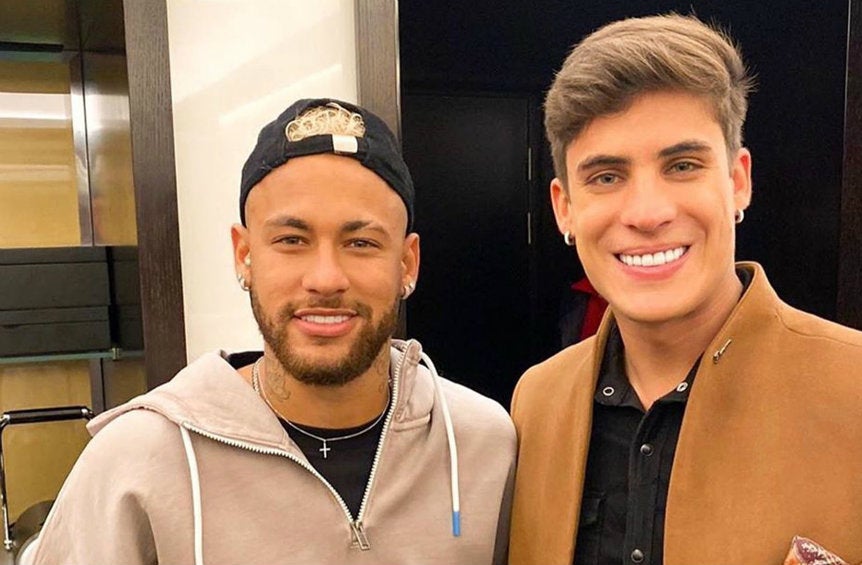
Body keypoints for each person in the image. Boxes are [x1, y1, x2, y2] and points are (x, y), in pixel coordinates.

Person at [508, 14, 862, 565]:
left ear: (738, 181)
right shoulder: (538, 403)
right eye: (607, 177)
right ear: (564, 208)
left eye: (682, 166)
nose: (647, 213)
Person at [34, 98, 516, 565]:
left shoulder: (484, 445)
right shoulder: (138, 459)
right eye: (291, 240)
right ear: (244, 255)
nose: (325, 279)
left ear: (407, 263)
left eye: (361, 243)